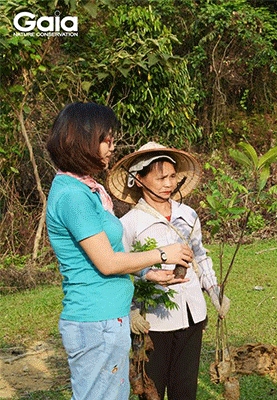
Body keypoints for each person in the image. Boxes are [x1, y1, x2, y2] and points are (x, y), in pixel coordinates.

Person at [45, 102, 193, 400]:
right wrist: (162, 253)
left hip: (106, 318)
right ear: (81, 141)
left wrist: (147, 272)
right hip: (95, 320)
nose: (112, 146)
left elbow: (107, 251)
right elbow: (107, 262)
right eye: (106, 139)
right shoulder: (73, 196)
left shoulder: (86, 190)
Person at [107, 142, 230, 400]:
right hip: (153, 320)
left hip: (192, 313)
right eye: (160, 178)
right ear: (139, 180)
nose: (168, 184)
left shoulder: (188, 214)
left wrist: (214, 291)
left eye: (172, 176)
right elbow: (118, 265)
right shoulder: (129, 224)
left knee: (185, 389)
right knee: (152, 389)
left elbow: (200, 256)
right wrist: (131, 311)